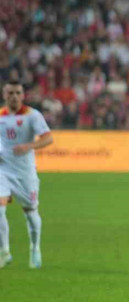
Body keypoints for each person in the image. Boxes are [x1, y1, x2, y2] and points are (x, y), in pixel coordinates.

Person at [0, 80, 54, 269]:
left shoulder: (33, 116)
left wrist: (28, 146)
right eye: (10, 93)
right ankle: (4, 251)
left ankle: (35, 248)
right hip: (3, 170)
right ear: (4, 95)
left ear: (22, 95)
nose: (14, 96)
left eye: (17, 93)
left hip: (25, 173)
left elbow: (48, 139)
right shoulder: (0, 116)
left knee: (31, 213)